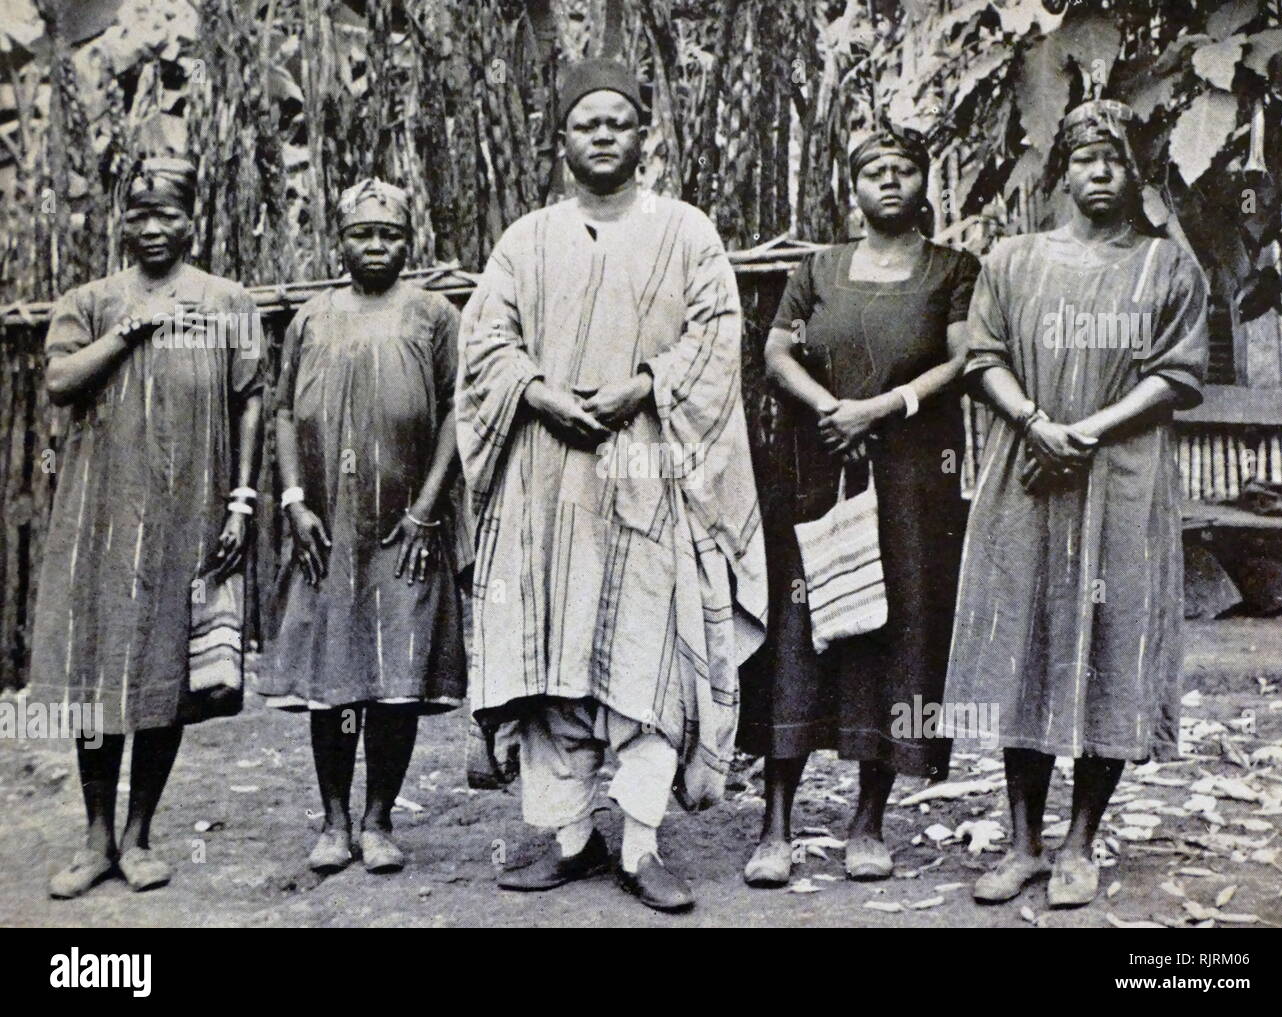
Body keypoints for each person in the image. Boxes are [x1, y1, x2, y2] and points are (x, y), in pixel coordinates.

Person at [456, 59, 767, 913]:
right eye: (584, 123)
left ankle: (639, 842)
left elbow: (716, 339)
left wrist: (645, 383)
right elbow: (484, 343)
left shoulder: (687, 233)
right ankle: (567, 837)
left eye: (617, 122)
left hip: (646, 471)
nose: (601, 135)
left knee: (648, 656)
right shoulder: (526, 240)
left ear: (644, 136)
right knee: (553, 663)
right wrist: (537, 391)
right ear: (560, 143)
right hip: (545, 483)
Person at [942, 99, 1209, 907]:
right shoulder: (1013, 260)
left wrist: (1082, 431)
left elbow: (1176, 376)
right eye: (1087, 157)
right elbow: (982, 355)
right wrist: (1033, 421)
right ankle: (1022, 840)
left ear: (1137, 175)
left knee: (1111, 643)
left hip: (1122, 480)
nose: (1102, 172)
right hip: (1027, 474)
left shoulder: (1168, 267)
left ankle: (1079, 842)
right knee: (1021, 638)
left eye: (1117, 159)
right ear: (1063, 170)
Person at [738, 125, 979, 887]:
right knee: (799, 634)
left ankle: (867, 821)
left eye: (903, 170)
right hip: (818, 466)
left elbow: (965, 357)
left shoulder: (952, 269)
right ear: (853, 186)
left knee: (895, 632)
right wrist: (832, 408)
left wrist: (883, 407)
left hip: (911, 481)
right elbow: (776, 351)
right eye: (874, 171)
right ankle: (775, 824)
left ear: (922, 183)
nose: (888, 182)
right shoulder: (817, 268)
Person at [30, 156, 264, 898]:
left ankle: (139, 835)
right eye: (140, 215)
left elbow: (250, 398)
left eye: (168, 214)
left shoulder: (227, 301)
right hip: (99, 516)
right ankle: (95, 835)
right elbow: (61, 380)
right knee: (98, 671)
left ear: (193, 221)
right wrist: (132, 328)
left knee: (165, 671)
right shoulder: (91, 301)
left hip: (184, 515)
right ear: (122, 223)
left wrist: (240, 501)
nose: (154, 228)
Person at [258, 179, 467, 875]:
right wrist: (293, 500)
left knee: (397, 672)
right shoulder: (311, 317)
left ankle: (379, 818)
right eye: (362, 232)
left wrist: (424, 509)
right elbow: (284, 410)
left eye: (390, 233)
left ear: (411, 241)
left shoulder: (434, 314)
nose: (376, 245)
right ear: (338, 240)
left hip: (405, 526)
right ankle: (334, 819)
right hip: (329, 527)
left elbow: (455, 414)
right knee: (334, 673)